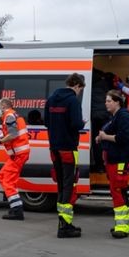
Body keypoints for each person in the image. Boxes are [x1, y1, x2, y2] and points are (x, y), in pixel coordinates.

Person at [46, 73, 86, 238]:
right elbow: (76, 124)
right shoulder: (73, 101)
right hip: (68, 148)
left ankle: (62, 223)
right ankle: (65, 226)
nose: (79, 92)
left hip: (54, 149)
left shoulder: (51, 100)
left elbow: (46, 122)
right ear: (76, 85)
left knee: (61, 185)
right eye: (80, 89)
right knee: (69, 186)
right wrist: (82, 122)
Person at [95, 89, 129, 238]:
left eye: (109, 101)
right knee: (121, 191)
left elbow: (122, 138)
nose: (106, 103)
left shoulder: (123, 116)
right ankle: (127, 224)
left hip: (119, 159)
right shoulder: (116, 116)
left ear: (117, 102)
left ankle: (121, 227)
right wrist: (102, 137)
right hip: (115, 159)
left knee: (117, 191)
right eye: (106, 101)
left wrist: (105, 137)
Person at [0, 98, 31, 220]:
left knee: (8, 181)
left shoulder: (9, 116)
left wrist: (0, 141)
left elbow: (13, 134)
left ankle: (17, 211)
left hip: (18, 155)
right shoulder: (14, 115)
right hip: (17, 155)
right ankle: (16, 204)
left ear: (4, 106)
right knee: (2, 177)